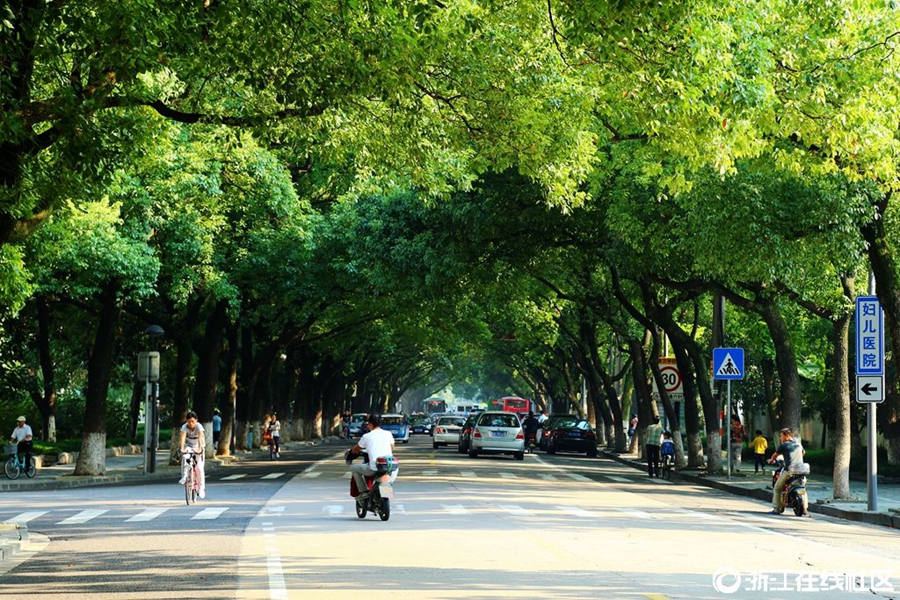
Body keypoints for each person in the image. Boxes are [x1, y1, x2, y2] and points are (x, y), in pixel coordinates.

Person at [349, 414, 395, 500]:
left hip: (374, 467)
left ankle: (363, 492)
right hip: (390, 466)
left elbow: (355, 449)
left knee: (353, 468)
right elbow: (392, 447)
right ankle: (386, 492)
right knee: (390, 476)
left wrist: (351, 452)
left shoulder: (366, 436)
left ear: (370, 424)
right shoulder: (388, 434)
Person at [768, 427, 807, 515]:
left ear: (787, 436)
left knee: (777, 488)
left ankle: (776, 509)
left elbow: (775, 455)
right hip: (801, 470)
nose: (780, 438)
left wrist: (771, 460)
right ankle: (805, 509)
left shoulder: (784, 445)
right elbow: (803, 453)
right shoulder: (798, 444)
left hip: (790, 471)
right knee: (803, 488)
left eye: (781, 436)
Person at [179, 411, 206, 499]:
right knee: (185, 457)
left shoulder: (199, 426)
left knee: (199, 468)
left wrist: (200, 449)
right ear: (186, 421)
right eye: (189, 421)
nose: (191, 423)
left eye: (193, 421)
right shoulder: (184, 427)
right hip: (189, 446)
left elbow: (200, 438)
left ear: (196, 420)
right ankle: (184, 476)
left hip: (198, 446)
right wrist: (182, 448)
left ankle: (201, 488)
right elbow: (182, 438)